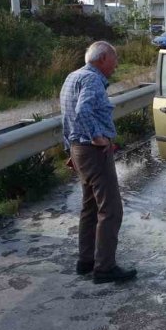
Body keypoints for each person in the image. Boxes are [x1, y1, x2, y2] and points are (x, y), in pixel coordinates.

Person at [60, 41, 137, 284]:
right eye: (114, 59)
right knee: (111, 209)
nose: (116, 65)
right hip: (93, 151)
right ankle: (104, 267)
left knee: (90, 206)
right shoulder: (92, 80)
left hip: (78, 149)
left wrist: (72, 149)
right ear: (102, 58)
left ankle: (86, 261)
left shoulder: (73, 77)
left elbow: (67, 116)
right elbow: (82, 112)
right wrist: (96, 137)